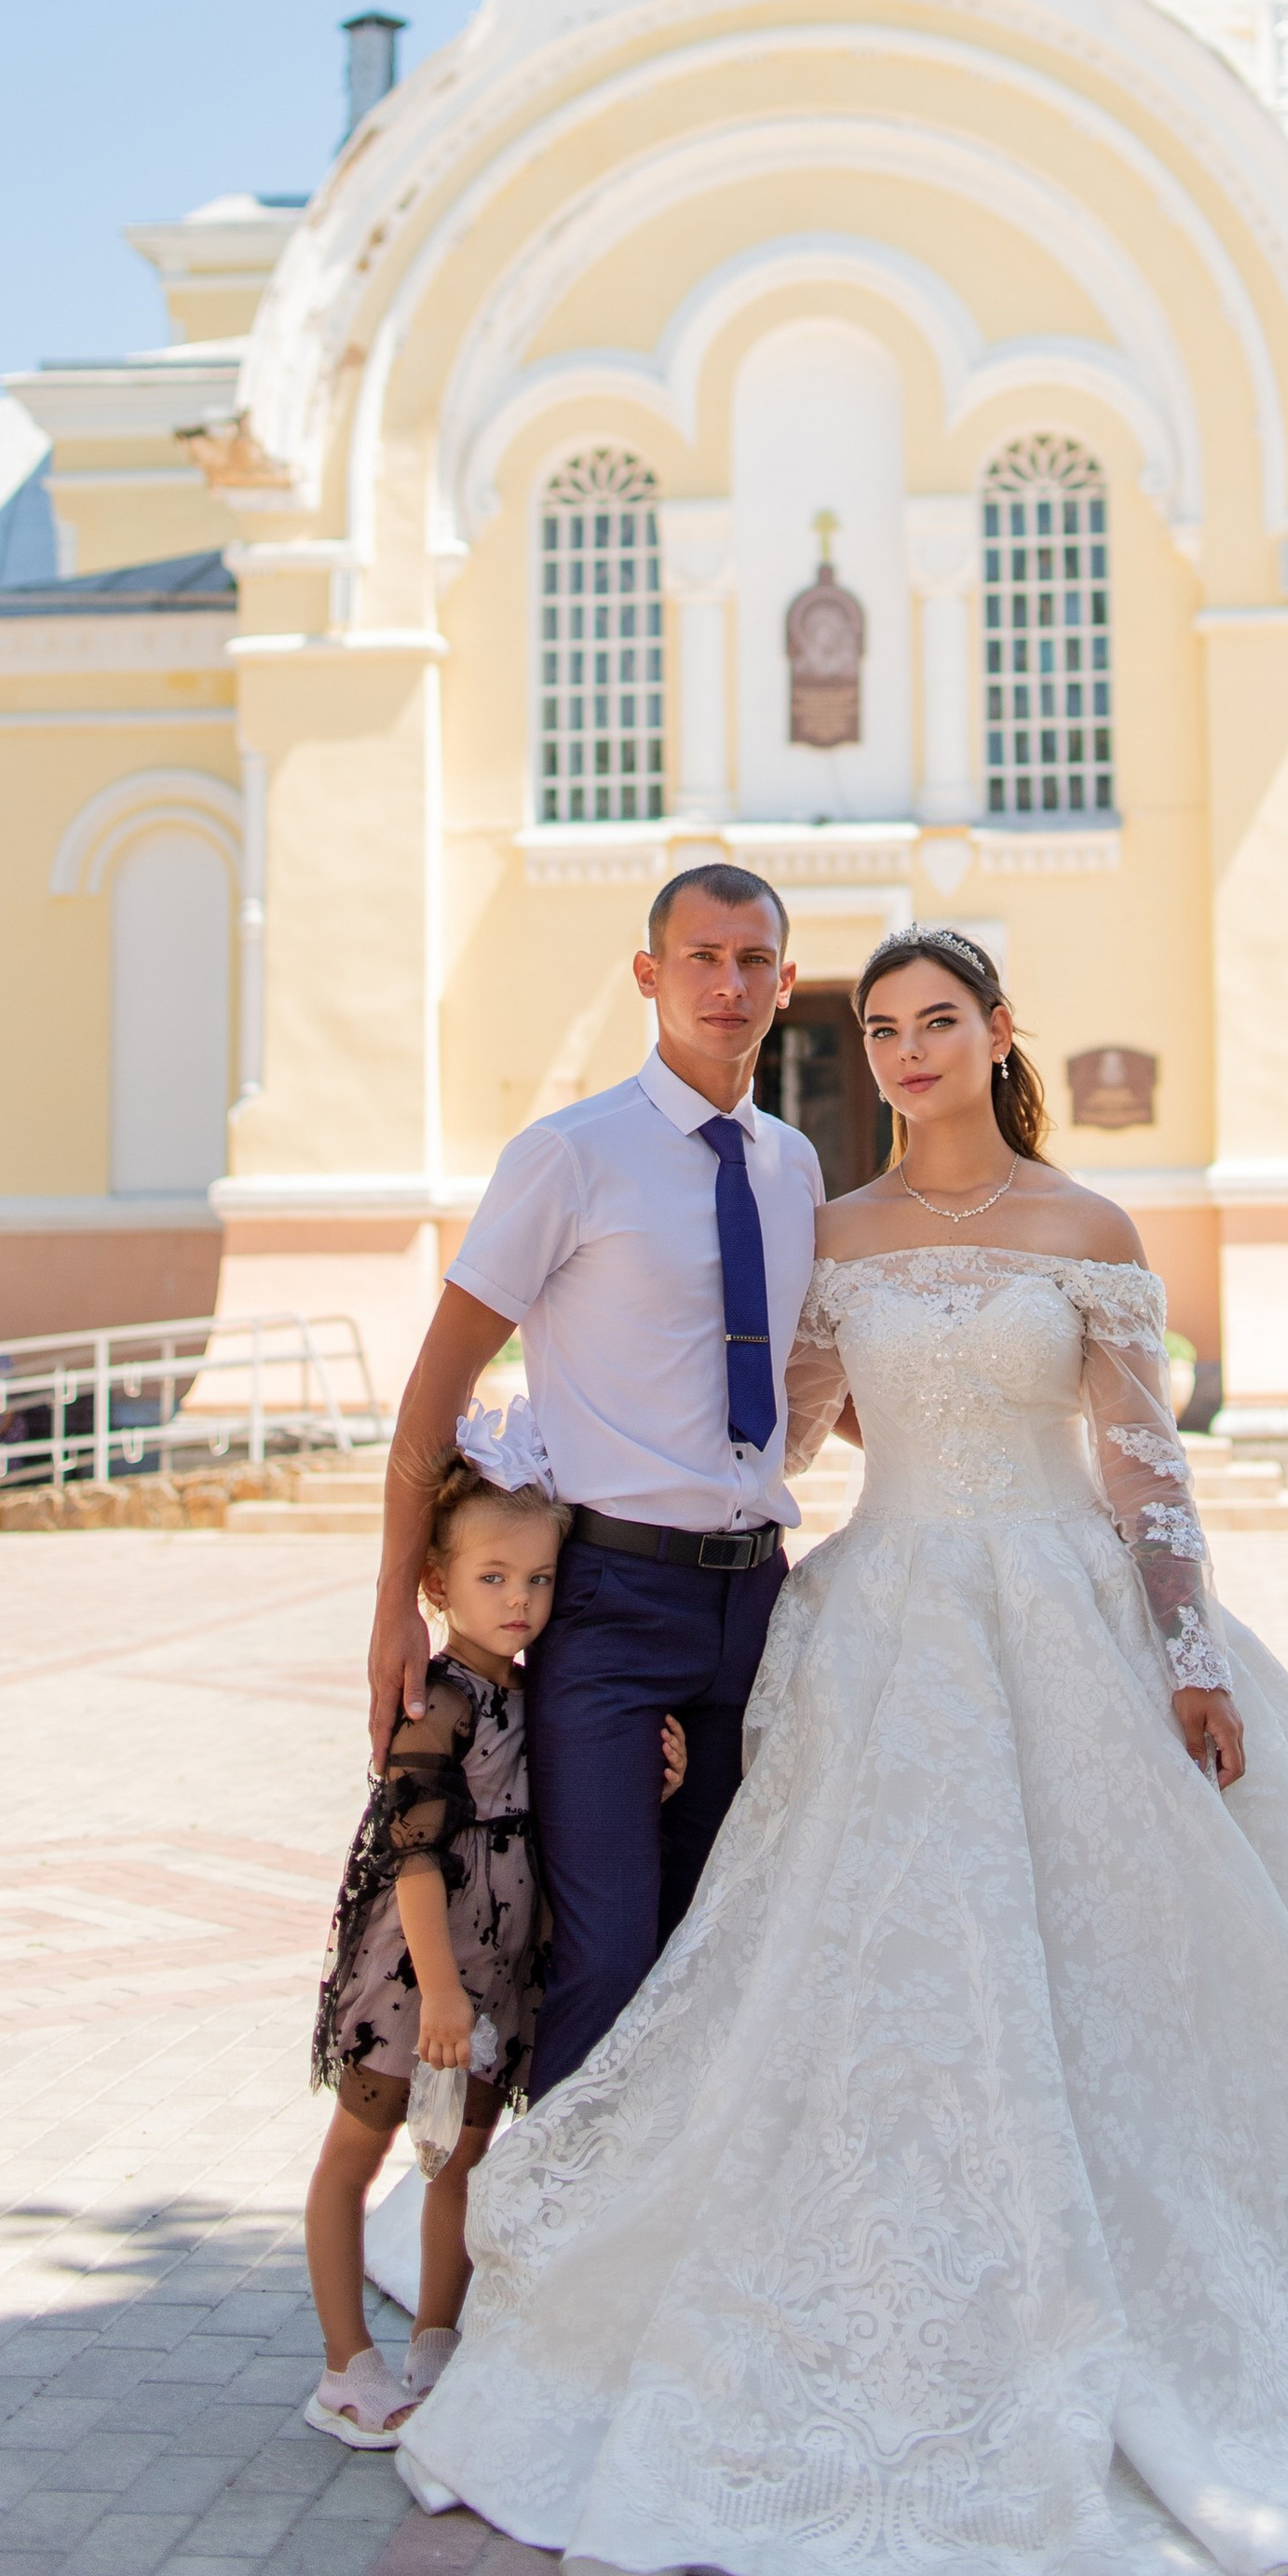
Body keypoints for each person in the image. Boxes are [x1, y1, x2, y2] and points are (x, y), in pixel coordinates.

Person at [396, 923, 1288, 2576]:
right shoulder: (828, 1233)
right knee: (890, 1976)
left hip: (1072, 1621)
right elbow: (766, 1437)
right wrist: (575, 1532)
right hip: (891, 1632)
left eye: (938, 1022)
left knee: (1150, 1966)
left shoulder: (1089, 1228)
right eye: (885, 1029)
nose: (906, 1053)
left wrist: (1189, 1657)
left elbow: (1146, 1475)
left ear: (998, 1034)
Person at [367, 862, 821, 2103]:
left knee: (713, 1938)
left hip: (752, 1604)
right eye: (700, 956)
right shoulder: (569, 1153)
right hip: (611, 1596)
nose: (726, 984)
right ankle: (540, 2267)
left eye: (751, 961)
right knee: (606, 1949)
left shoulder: (794, 1169)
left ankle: (658, 2249)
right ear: (649, 973)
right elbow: (441, 1376)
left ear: (785, 982)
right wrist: (394, 1601)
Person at [310, 1465, 689, 2447]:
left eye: (539, 1578)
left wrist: (650, 1784)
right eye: (493, 1577)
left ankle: (439, 2338)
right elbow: (416, 1857)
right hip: (416, 1973)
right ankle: (344, 2365)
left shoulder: (541, 1694)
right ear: (438, 1585)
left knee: (463, 2156)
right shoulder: (435, 1703)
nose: (520, 1600)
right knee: (362, 2145)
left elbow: (554, 1821)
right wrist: (437, 1990)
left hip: (495, 1972)